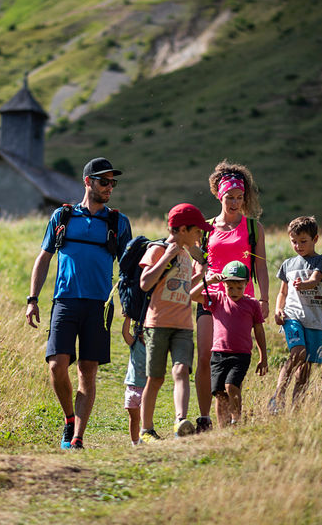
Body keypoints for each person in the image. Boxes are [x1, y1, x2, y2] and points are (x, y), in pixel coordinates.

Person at [25, 157, 132, 449]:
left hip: (99, 305)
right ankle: (69, 418)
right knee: (56, 366)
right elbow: (44, 257)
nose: (109, 187)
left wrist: (131, 306)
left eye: (112, 182)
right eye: (104, 181)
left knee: (87, 369)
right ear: (88, 182)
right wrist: (32, 299)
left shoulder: (118, 222)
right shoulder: (62, 217)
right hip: (65, 301)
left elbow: (128, 268)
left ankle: (77, 437)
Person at [194, 161, 269, 433]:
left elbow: (260, 266)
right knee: (206, 356)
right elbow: (199, 264)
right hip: (209, 299)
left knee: (235, 359)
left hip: (241, 302)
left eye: (239, 197)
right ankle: (205, 418)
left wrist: (264, 299)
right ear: (219, 195)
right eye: (230, 197)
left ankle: (233, 420)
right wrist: (201, 279)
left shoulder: (253, 228)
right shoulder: (206, 228)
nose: (235, 203)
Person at [138, 203, 212, 442]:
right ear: (181, 229)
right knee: (155, 378)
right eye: (196, 230)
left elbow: (183, 288)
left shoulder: (187, 255)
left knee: (181, 370)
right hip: (157, 323)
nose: (199, 235)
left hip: (183, 325)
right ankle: (146, 430)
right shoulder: (158, 249)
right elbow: (145, 283)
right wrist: (167, 256)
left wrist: (201, 275)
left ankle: (181, 421)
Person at [190, 261, 267, 428]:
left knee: (231, 385)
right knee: (219, 393)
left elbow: (259, 331)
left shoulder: (252, 304)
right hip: (218, 353)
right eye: (230, 287)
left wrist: (263, 357)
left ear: (246, 284)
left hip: (241, 355)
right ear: (223, 284)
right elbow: (192, 296)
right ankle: (223, 429)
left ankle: (236, 421)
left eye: (239, 287)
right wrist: (208, 281)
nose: (234, 292)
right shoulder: (217, 299)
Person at [269, 216, 322, 413]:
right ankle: (278, 396)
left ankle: (296, 409)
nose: (298, 246)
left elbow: (314, 280)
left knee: (305, 367)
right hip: (292, 317)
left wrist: (305, 284)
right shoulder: (288, 264)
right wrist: (278, 309)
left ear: (315, 239)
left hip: (315, 320)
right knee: (298, 353)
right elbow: (282, 292)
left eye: (303, 241)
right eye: (294, 241)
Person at [121, 315, 146, 446]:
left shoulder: (154, 348)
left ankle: (145, 436)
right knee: (134, 418)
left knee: (145, 418)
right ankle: (135, 443)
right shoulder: (134, 344)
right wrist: (128, 317)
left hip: (146, 390)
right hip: (131, 389)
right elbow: (125, 333)